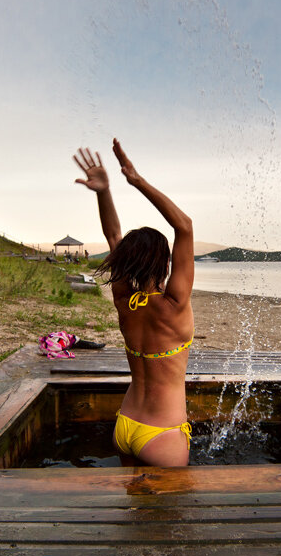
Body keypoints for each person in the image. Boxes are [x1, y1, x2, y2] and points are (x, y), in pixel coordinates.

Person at [74, 139, 194, 467]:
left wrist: (103, 192)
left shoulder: (123, 299)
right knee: (167, 517)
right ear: (167, 264)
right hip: (162, 434)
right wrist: (136, 180)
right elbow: (184, 226)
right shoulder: (175, 305)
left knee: (132, 509)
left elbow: (114, 236)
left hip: (125, 425)